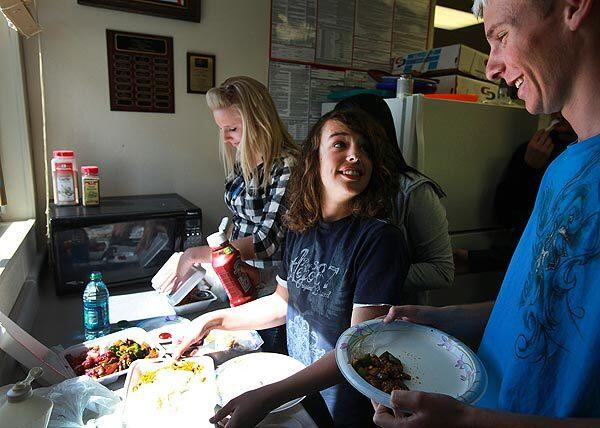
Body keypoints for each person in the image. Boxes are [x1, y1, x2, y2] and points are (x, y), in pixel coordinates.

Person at [372, 0, 600, 426]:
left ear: (573, 7)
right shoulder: (562, 167)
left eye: (501, 36)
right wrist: (441, 319)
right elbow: (540, 305)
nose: (492, 68)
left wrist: (465, 422)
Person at [174, 109, 410, 427]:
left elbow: (358, 349)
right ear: (313, 159)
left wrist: (270, 395)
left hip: (343, 411)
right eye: (340, 144)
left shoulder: (379, 240)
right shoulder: (301, 227)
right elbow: (282, 303)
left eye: (364, 148)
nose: (355, 155)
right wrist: (211, 320)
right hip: (299, 397)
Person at [168, 76, 299, 352]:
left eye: (233, 129)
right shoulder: (244, 161)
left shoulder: (287, 166)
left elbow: (267, 240)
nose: (226, 138)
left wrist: (196, 254)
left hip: (269, 288)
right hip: (239, 277)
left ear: (259, 123)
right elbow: (238, 221)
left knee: (266, 354)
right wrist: (217, 257)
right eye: (221, 129)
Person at [334, 94, 453, 301]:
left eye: (362, 140)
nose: (352, 153)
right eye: (341, 141)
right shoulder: (336, 185)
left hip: (392, 318)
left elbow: (441, 271)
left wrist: (367, 274)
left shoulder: (412, 191)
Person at [453, 112, 577, 274]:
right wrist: (528, 167)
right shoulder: (534, 149)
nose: (558, 112)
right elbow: (505, 216)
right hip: (517, 263)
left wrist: (476, 260)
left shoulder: (586, 158)